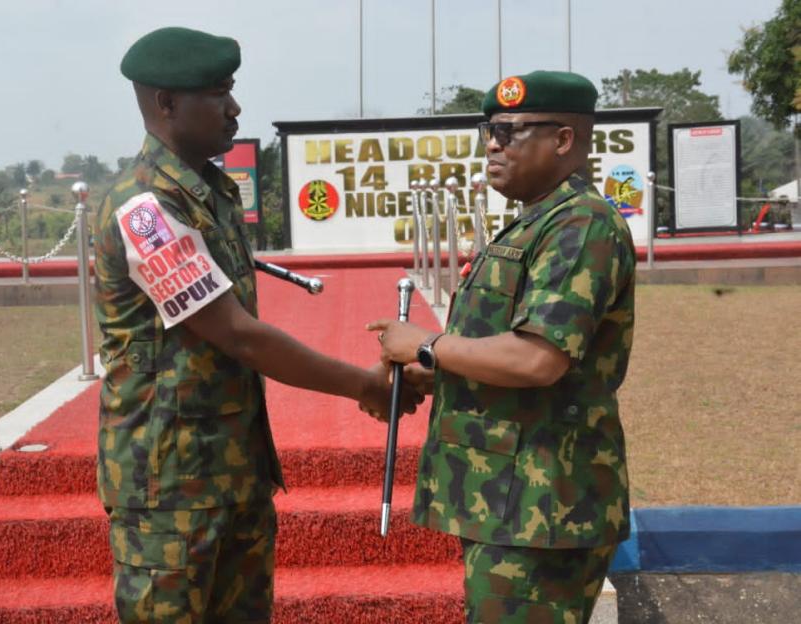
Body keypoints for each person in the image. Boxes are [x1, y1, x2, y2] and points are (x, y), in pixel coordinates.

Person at [94, 26, 419, 623]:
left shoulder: (207, 192)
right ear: (166, 103)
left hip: (232, 471)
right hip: (169, 487)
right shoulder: (145, 208)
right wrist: (365, 385)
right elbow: (239, 334)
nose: (234, 108)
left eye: (231, 90)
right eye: (218, 93)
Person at [368, 70, 636, 623]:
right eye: (488, 130)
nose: (492, 143)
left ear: (563, 139)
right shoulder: (536, 222)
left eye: (509, 131)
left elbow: (539, 360)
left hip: (544, 506)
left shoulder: (581, 224)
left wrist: (427, 347)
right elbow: (508, 348)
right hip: (510, 501)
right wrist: (437, 372)